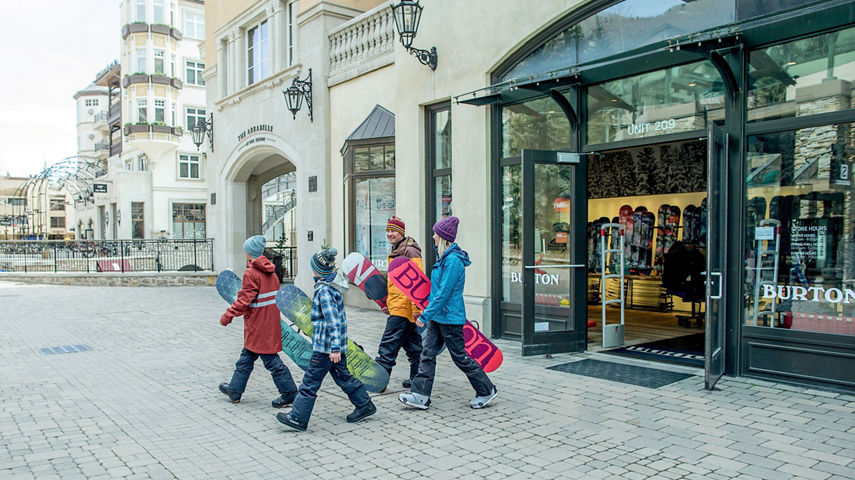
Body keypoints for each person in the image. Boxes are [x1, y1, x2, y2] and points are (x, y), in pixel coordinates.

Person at [399, 216, 498, 410]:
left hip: (450, 318)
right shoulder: (444, 258)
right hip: (438, 317)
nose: (433, 236)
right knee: (426, 354)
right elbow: (436, 292)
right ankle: (420, 395)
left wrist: (425, 315)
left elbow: (444, 293)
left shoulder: (453, 261)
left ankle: (486, 390)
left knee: (460, 357)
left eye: (436, 233)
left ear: (443, 237)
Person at [277, 247, 376, 431]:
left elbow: (334, 321)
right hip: (331, 346)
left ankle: (298, 417)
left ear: (317, 270)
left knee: (310, 382)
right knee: (344, 376)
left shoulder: (324, 291)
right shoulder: (330, 286)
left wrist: (336, 348)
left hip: (326, 348)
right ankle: (364, 405)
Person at [219, 235, 298, 408]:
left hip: (258, 325)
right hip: (269, 322)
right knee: (246, 357)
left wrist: (228, 315)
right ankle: (234, 389)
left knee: (271, 360)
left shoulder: (251, 273)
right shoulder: (272, 273)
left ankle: (289, 392)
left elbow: (243, 301)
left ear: (249, 252)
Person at [376, 216, 424, 388]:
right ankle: (418, 379)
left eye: (393, 231)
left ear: (401, 232)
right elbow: (394, 283)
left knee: (387, 346)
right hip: (398, 305)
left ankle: (378, 381)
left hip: (404, 307)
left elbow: (417, 284)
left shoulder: (410, 251)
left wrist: (416, 308)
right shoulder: (397, 249)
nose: (390, 234)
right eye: (388, 231)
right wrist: (388, 303)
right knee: (413, 347)